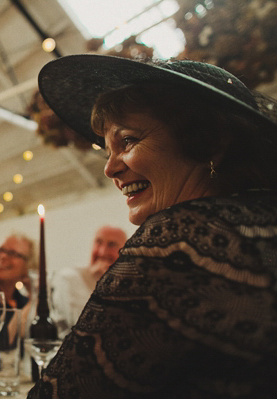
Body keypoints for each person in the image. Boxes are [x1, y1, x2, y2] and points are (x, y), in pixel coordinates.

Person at [29, 55, 277, 398]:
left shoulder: (179, 242)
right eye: (107, 151)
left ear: (211, 142)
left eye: (127, 141)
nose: (110, 169)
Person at [50, 226, 126, 333]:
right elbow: (84, 325)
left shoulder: (127, 287)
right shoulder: (69, 278)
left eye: (112, 245)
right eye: (98, 242)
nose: (102, 252)